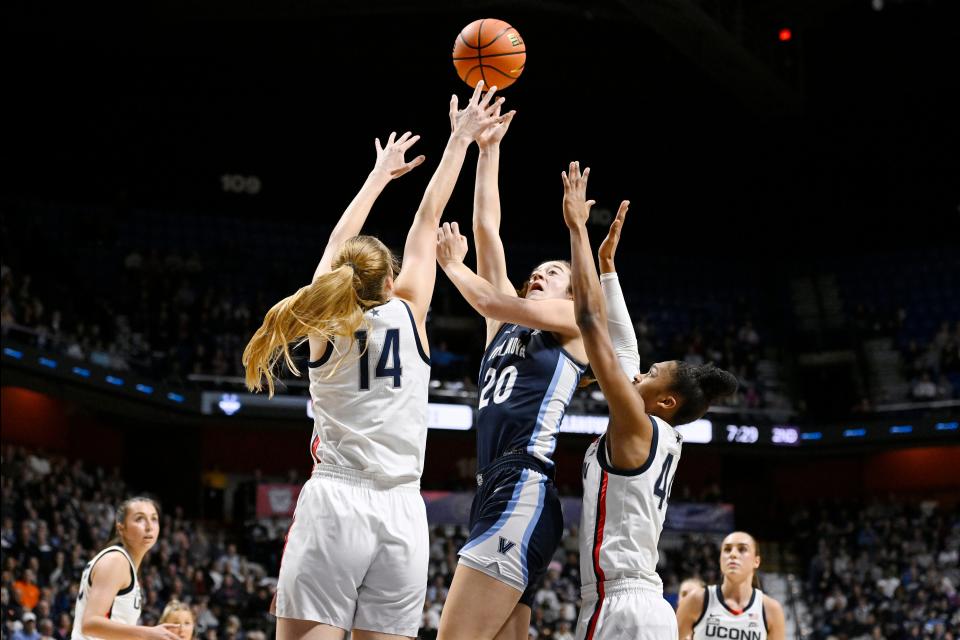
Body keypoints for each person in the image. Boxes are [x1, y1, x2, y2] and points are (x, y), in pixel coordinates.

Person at [242, 82, 506, 640]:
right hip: (402, 509)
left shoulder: (323, 320)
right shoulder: (409, 314)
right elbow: (427, 221)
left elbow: (339, 246)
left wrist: (378, 176)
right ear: (391, 281)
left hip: (335, 499)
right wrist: (459, 141)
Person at [561, 161, 739, 640]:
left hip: (617, 608)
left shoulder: (636, 428)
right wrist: (608, 268)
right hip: (645, 607)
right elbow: (626, 350)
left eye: (651, 375)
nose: (638, 373)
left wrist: (576, 230)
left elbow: (593, 329)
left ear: (665, 401)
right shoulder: (657, 432)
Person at [434, 113, 589, 640]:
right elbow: (486, 230)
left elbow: (480, 291)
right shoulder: (503, 325)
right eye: (538, 270)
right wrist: (488, 149)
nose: (540, 273)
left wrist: (452, 266)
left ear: (572, 292)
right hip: (493, 489)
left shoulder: (574, 324)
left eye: (555, 271)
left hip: (524, 485)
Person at [71, 497, 181, 640]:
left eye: (154, 519)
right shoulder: (116, 561)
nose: (149, 526)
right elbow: (90, 624)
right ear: (121, 528)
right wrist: (148, 633)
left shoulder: (123, 562)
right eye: (140, 519)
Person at [677, 531, 786, 640]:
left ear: (756, 561)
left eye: (742, 549)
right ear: (720, 560)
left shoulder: (771, 609)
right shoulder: (696, 600)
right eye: (727, 549)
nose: (733, 554)